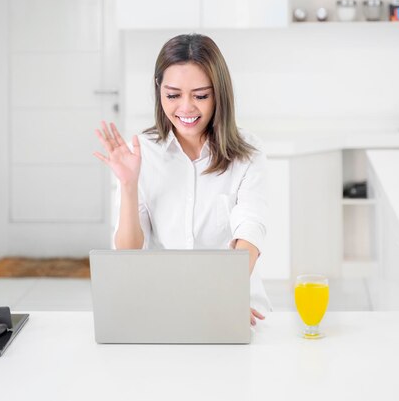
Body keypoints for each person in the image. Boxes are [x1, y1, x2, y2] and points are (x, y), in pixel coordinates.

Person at [94, 33, 270, 326]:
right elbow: (127, 254)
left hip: (233, 302)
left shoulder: (248, 154)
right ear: (159, 90)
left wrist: (224, 297)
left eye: (200, 96)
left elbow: (250, 232)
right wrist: (128, 185)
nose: (186, 108)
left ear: (219, 94)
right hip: (162, 303)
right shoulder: (141, 153)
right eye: (173, 95)